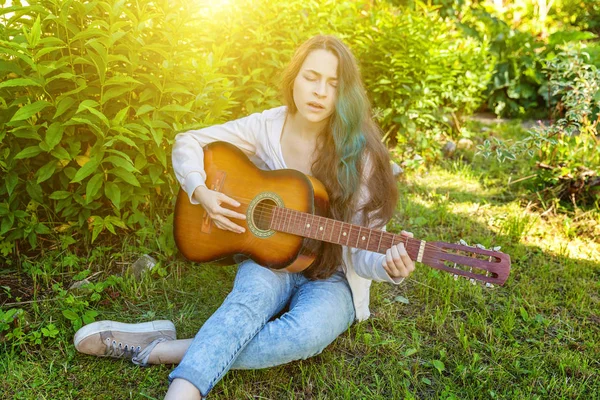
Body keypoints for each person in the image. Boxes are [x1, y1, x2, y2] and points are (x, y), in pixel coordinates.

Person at [73, 34, 415, 399]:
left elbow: (365, 248)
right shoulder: (268, 127)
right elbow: (190, 141)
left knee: (303, 336)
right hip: (272, 258)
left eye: (333, 84)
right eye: (311, 77)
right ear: (294, 78)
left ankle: (162, 349)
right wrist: (201, 191)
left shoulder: (358, 154)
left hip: (334, 276)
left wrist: (387, 266)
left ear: (345, 93)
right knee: (245, 306)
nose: (319, 92)